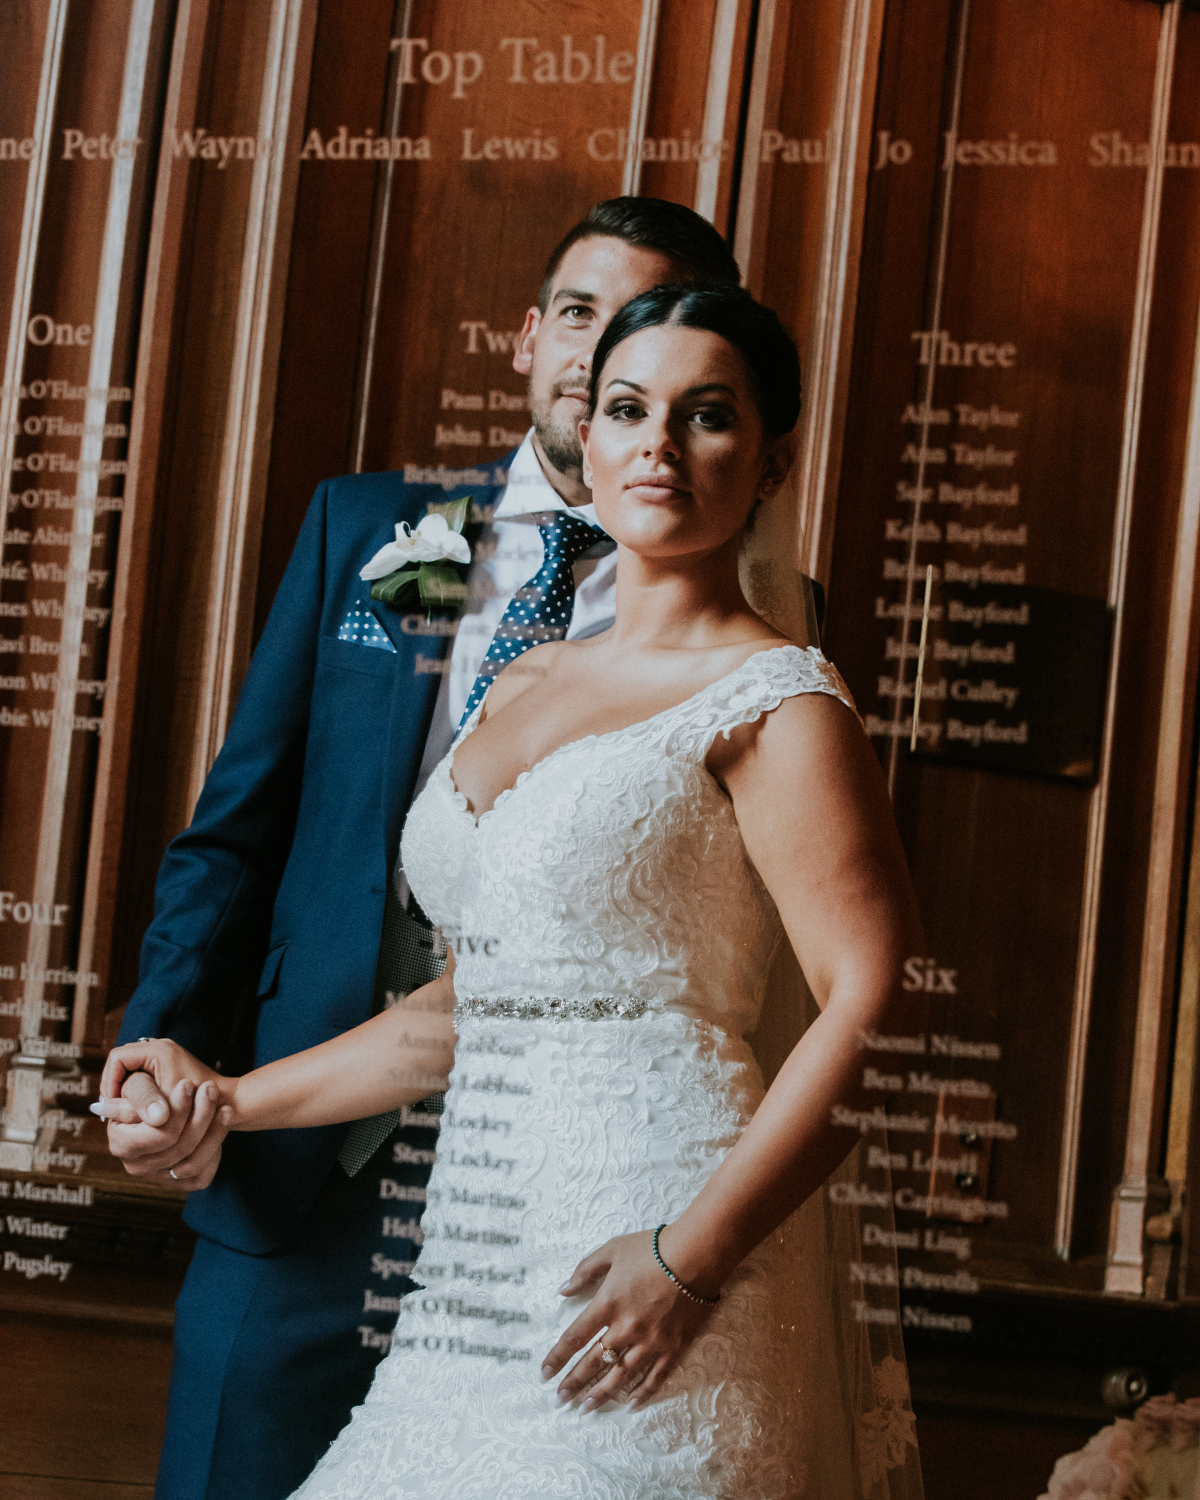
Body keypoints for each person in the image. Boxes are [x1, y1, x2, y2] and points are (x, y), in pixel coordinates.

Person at [102, 283, 925, 1499]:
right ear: (585, 435)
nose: (659, 443)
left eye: (707, 415)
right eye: (629, 409)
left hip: (654, 1238)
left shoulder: (780, 701)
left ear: (770, 462)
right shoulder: (526, 679)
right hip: (473, 1272)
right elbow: (474, 1003)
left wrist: (689, 1258)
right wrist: (230, 1099)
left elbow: (873, 1006)